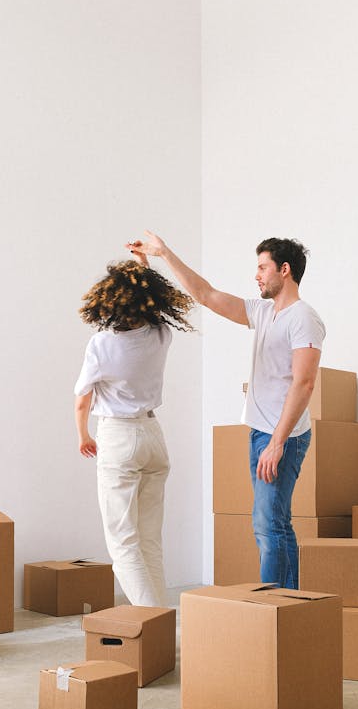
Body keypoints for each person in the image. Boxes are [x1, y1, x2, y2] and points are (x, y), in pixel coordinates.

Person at [127, 231, 324, 590]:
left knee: (269, 526)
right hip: (261, 432)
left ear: (285, 270)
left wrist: (277, 443)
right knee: (274, 524)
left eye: (263, 268)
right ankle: (291, 606)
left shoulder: (304, 318)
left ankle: (274, 608)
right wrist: (163, 254)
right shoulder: (264, 311)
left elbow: (304, 383)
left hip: (283, 436)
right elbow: (205, 294)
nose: (257, 275)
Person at [74, 257, 194, 607]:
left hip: (119, 438)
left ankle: (152, 622)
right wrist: (143, 265)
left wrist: (83, 435)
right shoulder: (162, 334)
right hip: (154, 436)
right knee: (149, 540)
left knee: (123, 543)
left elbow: (82, 400)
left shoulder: (102, 344)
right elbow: (152, 307)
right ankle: (162, 621)